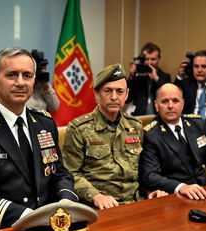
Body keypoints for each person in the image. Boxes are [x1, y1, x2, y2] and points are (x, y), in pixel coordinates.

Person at [0, 47, 78, 231]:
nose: (20, 82)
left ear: (34, 80)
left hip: (49, 228)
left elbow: (58, 173)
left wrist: (66, 201)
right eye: (11, 75)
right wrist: (28, 216)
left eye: (27, 75)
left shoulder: (45, 122)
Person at [62, 63, 167, 210]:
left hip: (135, 203)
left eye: (119, 91)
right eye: (108, 91)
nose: (114, 97)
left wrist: (150, 190)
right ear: (97, 94)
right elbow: (70, 173)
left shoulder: (135, 126)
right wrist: (95, 196)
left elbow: (142, 169)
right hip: (99, 206)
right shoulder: (79, 128)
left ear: (127, 94)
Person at [139, 83, 206, 200]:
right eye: (165, 101)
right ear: (156, 105)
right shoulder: (150, 134)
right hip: (176, 195)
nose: (170, 106)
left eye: (175, 101)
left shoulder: (197, 124)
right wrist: (181, 187)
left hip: (205, 189)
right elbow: (150, 176)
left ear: (182, 103)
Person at [126, 42, 171, 116]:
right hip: (139, 117)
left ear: (159, 59)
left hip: (159, 117)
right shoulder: (137, 76)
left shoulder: (165, 77)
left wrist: (156, 78)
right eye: (147, 59)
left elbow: (169, 95)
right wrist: (131, 76)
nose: (150, 62)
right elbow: (127, 99)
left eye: (153, 59)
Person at [174, 50, 206, 119]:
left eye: (204, 67)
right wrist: (180, 76)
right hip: (190, 126)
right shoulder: (185, 85)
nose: (199, 70)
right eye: (196, 66)